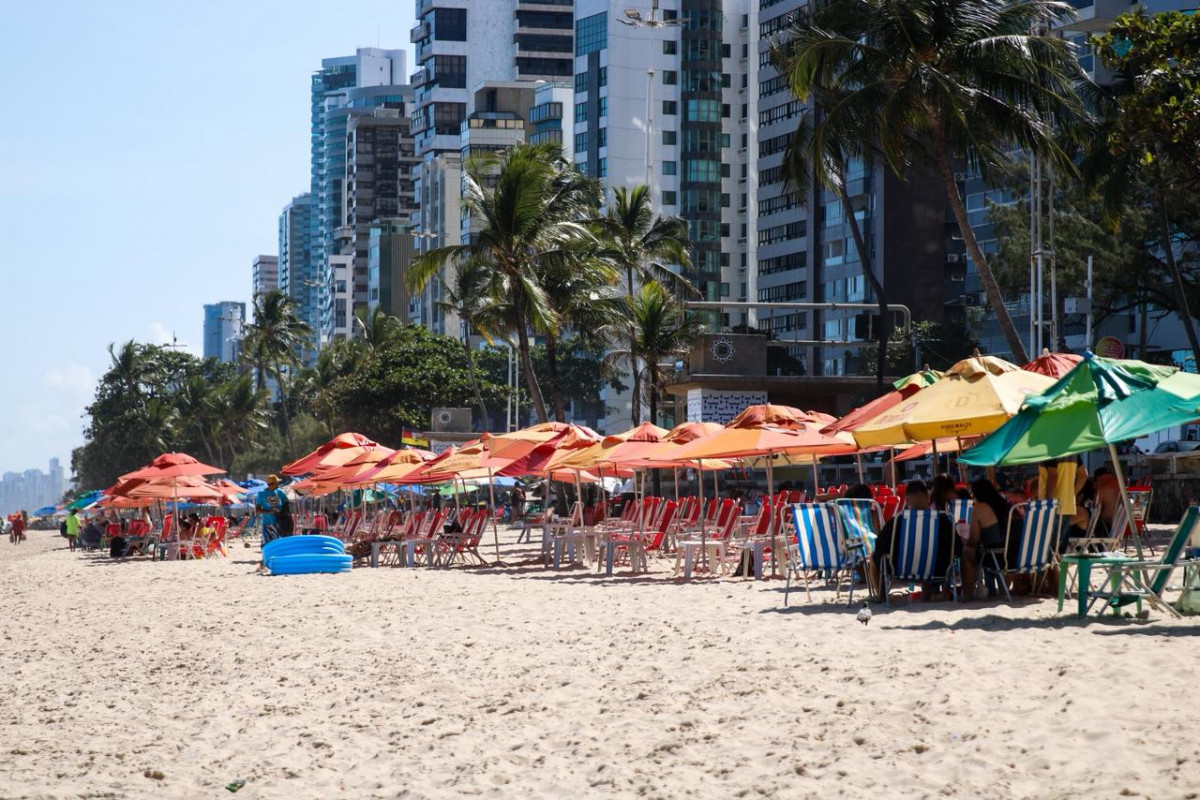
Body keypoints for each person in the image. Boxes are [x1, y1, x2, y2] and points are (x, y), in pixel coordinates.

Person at [870, 480, 954, 599]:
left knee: (873, 557)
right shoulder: (943, 521)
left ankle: (882, 596)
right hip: (936, 570)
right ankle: (926, 596)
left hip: (899, 569)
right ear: (928, 498)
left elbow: (879, 548)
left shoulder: (896, 522)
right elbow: (957, 549)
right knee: (929, 555)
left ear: (907, 500)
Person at [960, 479, 1012, 600]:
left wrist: (964, 541)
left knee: (967, 552)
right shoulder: (1005, 505)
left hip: (996, 557)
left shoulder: (980, 508)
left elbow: (973, 542)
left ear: (977, 494)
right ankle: (1002, 591)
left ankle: (967, 596)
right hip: (1013, 556)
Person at [256, 475, 291, 545]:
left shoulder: (280, 492)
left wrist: (283, 513)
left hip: (279, 523)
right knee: (267, 544)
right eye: (276, 483)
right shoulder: (262, 494)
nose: (278, 484)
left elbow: (286, 504)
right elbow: (257, 510)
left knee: (278, 544)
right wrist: (270, 511)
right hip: (267, 524)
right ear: (270, 484)